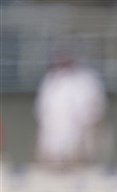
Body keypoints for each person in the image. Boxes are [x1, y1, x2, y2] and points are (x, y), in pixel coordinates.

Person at [34, 43, 109, 171]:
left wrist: (86, 148)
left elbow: (95, 116)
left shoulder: (87, 80)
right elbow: (43, 118)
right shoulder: (50, 80)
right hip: (53, 148)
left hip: (78, 147)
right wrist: (41, 149)